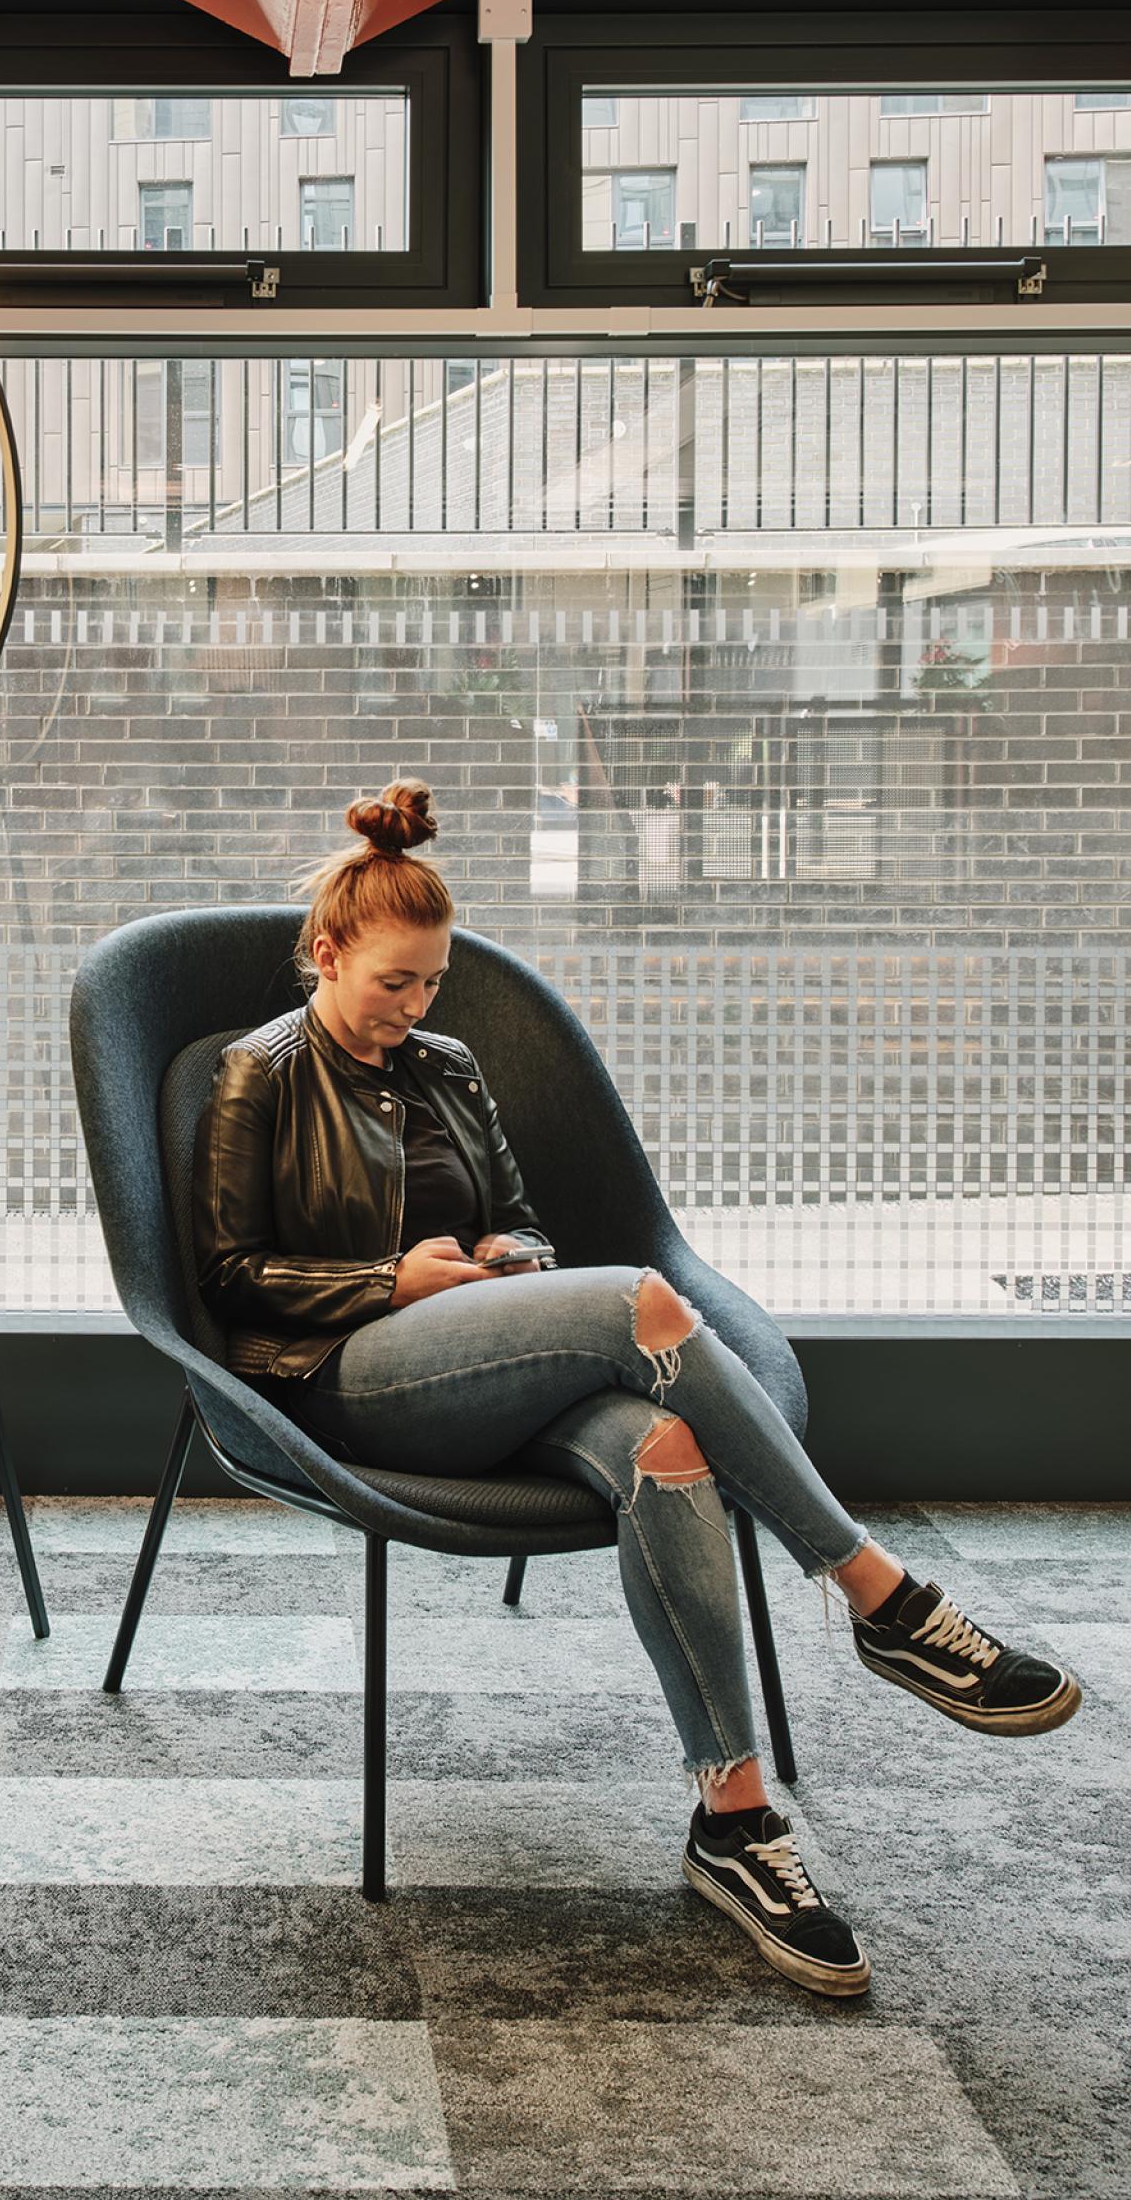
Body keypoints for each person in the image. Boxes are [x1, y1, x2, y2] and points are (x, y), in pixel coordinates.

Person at [191, 775, 1081, 1998]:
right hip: (347, 1382)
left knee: (664, 1445)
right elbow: (231, 1280)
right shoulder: (260, 1075)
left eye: (432, 982)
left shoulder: (448, 1066)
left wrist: (509, 1261)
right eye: (393, 981)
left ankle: (736, 1818)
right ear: (327, 953)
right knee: (641, 1306)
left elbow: (527, 1229)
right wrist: (387, 1283)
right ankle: (882, 1596)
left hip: (488, 1358)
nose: (415, 1005)